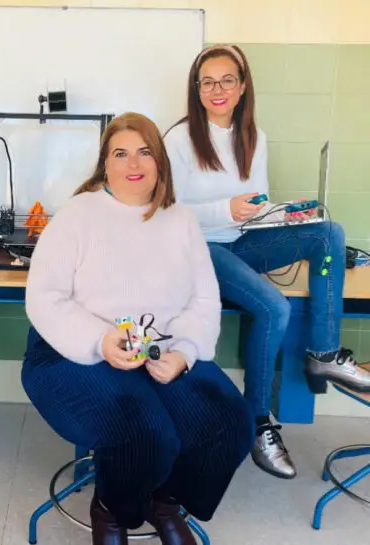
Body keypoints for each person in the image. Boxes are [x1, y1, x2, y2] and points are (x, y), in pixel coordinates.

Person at [22, 112, 254, 545]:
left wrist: (184, 352)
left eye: (145, 152)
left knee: (231, 424)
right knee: (145, 433)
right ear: (104, 165)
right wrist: (100, 340)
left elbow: (203, 299)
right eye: (120, 153)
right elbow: (45, 298)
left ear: (160, 162)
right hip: (70, 351)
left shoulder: (181, 220)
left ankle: (162, 501)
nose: (133, 164)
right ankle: (113, 509)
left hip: (160, 349)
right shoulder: (77, 215)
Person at [163, 43, 370, 481]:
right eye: (207, 82)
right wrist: (225, 210)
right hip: (200, 249)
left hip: (243, 242)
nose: (217, 89)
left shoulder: (254, 138)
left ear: (242, 87)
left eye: (227, 80)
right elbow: (167, 209)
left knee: (328, 233)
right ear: (196, 90)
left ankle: (323, 352)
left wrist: (281, 212)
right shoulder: (179, 139)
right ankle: (258, 423)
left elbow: (251, 204)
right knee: (274, 307)